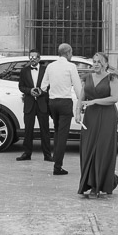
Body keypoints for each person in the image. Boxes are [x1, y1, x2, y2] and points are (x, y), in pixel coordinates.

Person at [77, 52, 118, 197]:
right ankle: (88, 183)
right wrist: (77, 112)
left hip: (107, 116)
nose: (96, 64)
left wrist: (95, 101)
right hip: (90, 117)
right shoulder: (88, 78)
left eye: (99, 62)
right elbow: (81, 97)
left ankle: (98, 185)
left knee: (102, 150)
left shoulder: (112, 78)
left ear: (106, 64)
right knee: (88, 149)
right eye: (94, 61)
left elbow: (114, 98)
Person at [40, 43, 83, 176]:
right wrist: (81, 104)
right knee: (63, 134)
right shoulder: (71, 66)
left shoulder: (50, 66)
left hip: (53, 102)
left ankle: (56, 161)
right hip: (65, 102)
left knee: (57, 132)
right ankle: (57, 166)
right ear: (68, 52)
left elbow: (43, 86)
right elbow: (77, 87)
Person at [16, 49, 52, 162]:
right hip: (29, 104)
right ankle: (27, 153)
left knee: (45, 131)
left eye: (34, 57)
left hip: (42, 103)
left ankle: (47, 154)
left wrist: (42, 91)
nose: (32, 59)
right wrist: (29, 91)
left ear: (39, 59)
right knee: (28, 130)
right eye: (30, 57)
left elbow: (50, 85)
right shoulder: (24, 71)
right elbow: (21, 86)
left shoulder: (46, 70)